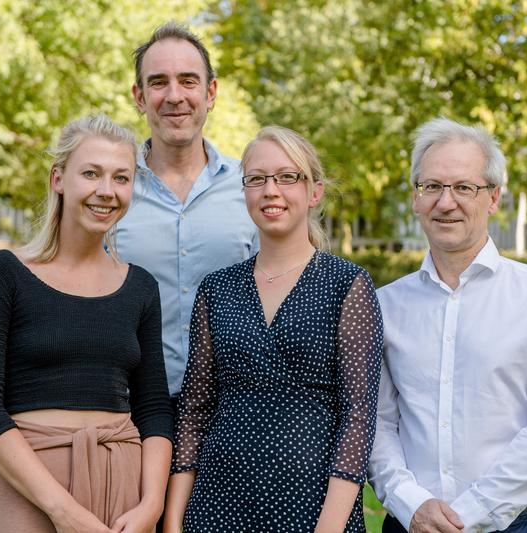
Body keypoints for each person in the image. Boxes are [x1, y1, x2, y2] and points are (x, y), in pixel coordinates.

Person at [162, 126, 383, 532]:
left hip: (314, 506)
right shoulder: (217, 289)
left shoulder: (346, 284)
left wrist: (329, 528)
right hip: (217, 504)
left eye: (287, 177)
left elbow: (358, 415)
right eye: (257, 179)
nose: (271, 190)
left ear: (314, 192)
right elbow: (194, 411)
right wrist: (174, 521)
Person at [0, 115, 173, 532]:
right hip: (32, 490)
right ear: (59, 178)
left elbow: (153, 408)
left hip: (124, 485)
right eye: (91, 173)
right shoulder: (0, 273)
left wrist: (151, 503)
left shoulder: (141, 287)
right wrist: (63, 511)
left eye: (121, 178)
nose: (106, 191)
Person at [369, 117, 527, 533]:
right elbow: (376, 421)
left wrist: (467, 514)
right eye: (431, 186)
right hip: (411, 522)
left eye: (464, 187)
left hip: (516, 522)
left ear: (493, 198)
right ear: (415, 198)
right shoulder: (385, 305)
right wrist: (410, 503)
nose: (445, 202)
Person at [115, 22, 258, 409]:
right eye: (158, 82)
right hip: (132, 412)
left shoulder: (252, 189)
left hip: (233, 411)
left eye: (188, 81)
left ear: (210, 92)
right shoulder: (112, 194)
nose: (174, 96)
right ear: (139, 97)